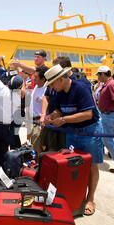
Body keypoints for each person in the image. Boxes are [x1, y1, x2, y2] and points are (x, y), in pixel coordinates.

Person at [44, 64, 104, 216]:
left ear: (61, 79)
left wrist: (63, 119)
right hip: (72, 131)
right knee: (74, 164)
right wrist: (52, 116)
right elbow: (57, 109)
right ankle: (75, 195)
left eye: (52, 83)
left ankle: (90, 199)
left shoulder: (81, 88)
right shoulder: (57, 92)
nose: (50, 86)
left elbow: (88, 114)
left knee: (91, 165)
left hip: (89, 130)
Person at [26, 66, 48, 153]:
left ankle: (39, 165)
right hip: (32, 121)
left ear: (43, 79)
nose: (33, 78)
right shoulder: (37, 86)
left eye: (36, 77)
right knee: (34, 147)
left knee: (38, 149)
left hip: (39, 123)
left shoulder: (45, 90)